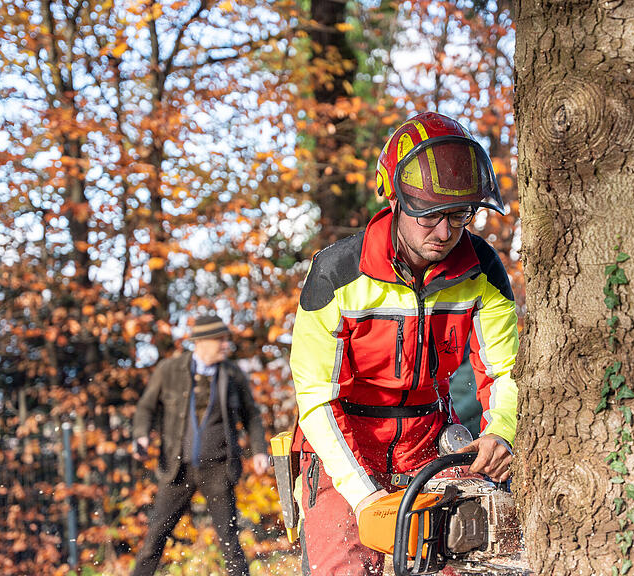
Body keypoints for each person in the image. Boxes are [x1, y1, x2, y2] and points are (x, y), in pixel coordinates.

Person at [289, 111, 519, 575]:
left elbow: (505, 371)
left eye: (459, 216)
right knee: (344, 565)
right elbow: (315, 397)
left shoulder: (482, 271)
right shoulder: (337, 275)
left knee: (465, 559)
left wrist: (501, 431)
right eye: (431, 216)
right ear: (397, 202)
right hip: (345, 441)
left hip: (431, 440)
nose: (445, 233)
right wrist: (365, 495)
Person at [131, 313, 269, 576]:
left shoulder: (232, 374)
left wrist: (260, 451)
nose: (225, 346)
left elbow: (251, 416)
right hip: (176, 468)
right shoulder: (168, 370)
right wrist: (141, 435)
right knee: (155, 537)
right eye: (221, 340)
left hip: (218, 468)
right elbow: (146, 408)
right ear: (202, 343)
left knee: (229, 539)